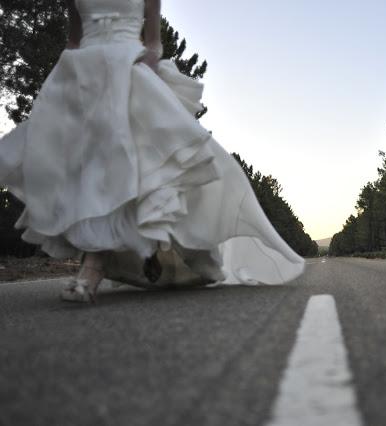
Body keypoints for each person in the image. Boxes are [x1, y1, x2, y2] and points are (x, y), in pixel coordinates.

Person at [0, 0, 305, 303]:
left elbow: (154, 43)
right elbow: (74, 40)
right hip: (81, 77)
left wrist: (145, 70)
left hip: (128, 70)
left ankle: (103, 263)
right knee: (87, 171)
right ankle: (129, 252)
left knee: (135, 167)